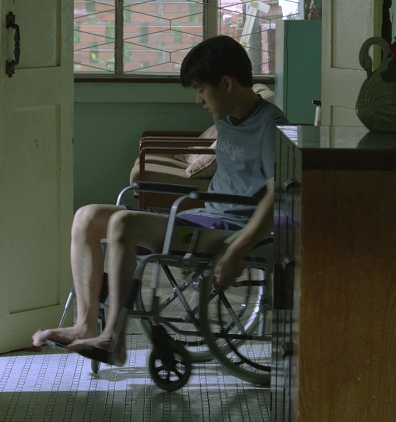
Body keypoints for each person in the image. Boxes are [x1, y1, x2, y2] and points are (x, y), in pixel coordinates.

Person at [32, 35, 288, 366]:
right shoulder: (226, 118)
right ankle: (85, 324)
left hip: (232, 231)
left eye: (200, 89)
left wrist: (238, 250)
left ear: (225, 83)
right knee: (86, 215)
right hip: (205, 218)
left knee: (125, 223)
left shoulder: (271, 125)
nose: (198, 100)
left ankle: (114, 338)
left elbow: (277, 191)